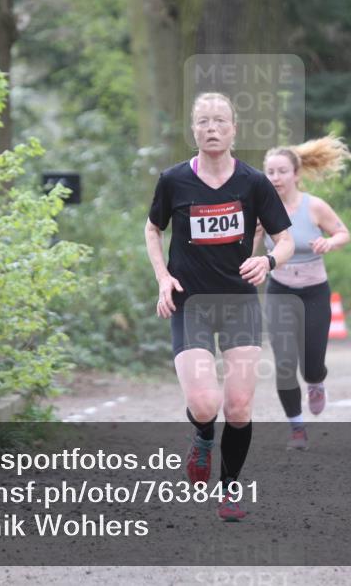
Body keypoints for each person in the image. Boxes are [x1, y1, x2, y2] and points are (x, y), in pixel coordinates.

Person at [144, 92, 294, 521]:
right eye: (204, 122)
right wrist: (162, 279)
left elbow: (286, 241)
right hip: (190, 302)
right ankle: (202, 437)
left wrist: (266, 261)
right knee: (207, 405)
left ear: (234, 130)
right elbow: (153, 229)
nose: (212, 128)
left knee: (240, 407)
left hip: (239, 304)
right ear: (193, 130)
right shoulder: (173, 180)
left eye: (220, 121)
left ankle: (229, 491)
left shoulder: (253, 183)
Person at [254, 135, 351, 451]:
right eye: (270, 171)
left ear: (296, 174)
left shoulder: (314, 207)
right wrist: (253, 240)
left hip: (314, 292)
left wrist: (329, 243)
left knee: (311, 363)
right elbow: (250, 252)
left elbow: (343, 233)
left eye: (282, 171)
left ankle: (317, 381)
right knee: (284, 362)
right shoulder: (261, 210)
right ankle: (296, 428)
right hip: (280, 290)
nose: (275, 177)